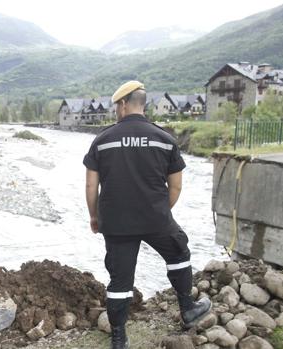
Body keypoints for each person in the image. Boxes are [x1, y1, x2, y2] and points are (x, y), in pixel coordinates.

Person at [83, 81, 211, 349]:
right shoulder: (165, 139)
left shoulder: (102, 141)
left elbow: (90, 186)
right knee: (178, 253)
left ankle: (119, 338)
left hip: (116, 223)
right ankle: (188, 308)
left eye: (116, 107)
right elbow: (175, 186)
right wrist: (160, 212)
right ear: (143, 104)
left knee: (120, 279)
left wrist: (95, 217)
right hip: (156, 218)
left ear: (123, 105)